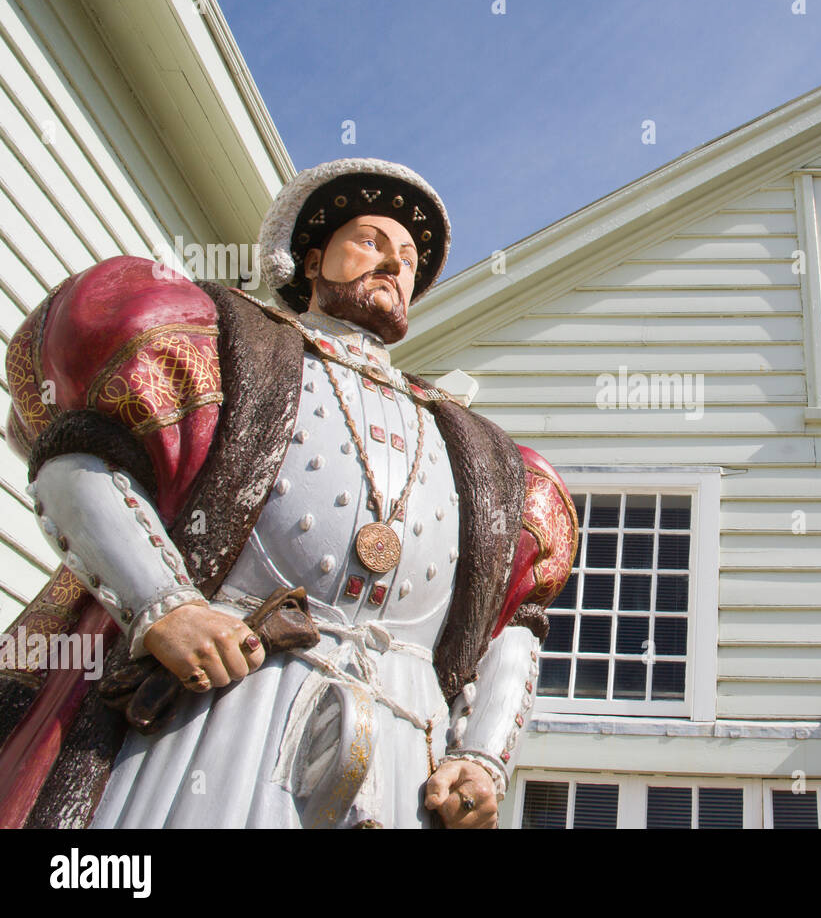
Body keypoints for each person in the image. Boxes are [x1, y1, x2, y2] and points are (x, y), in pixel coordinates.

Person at [0, 158, 576, 828]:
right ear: (309, 259)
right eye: (370, 242)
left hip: (404, 744)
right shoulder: (222, 342)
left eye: (409, 258)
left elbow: (512, 627)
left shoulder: (480, 448)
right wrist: (166, 607)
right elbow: (79, 463)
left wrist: (482, 756)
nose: (394, 265)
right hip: (221, 705)